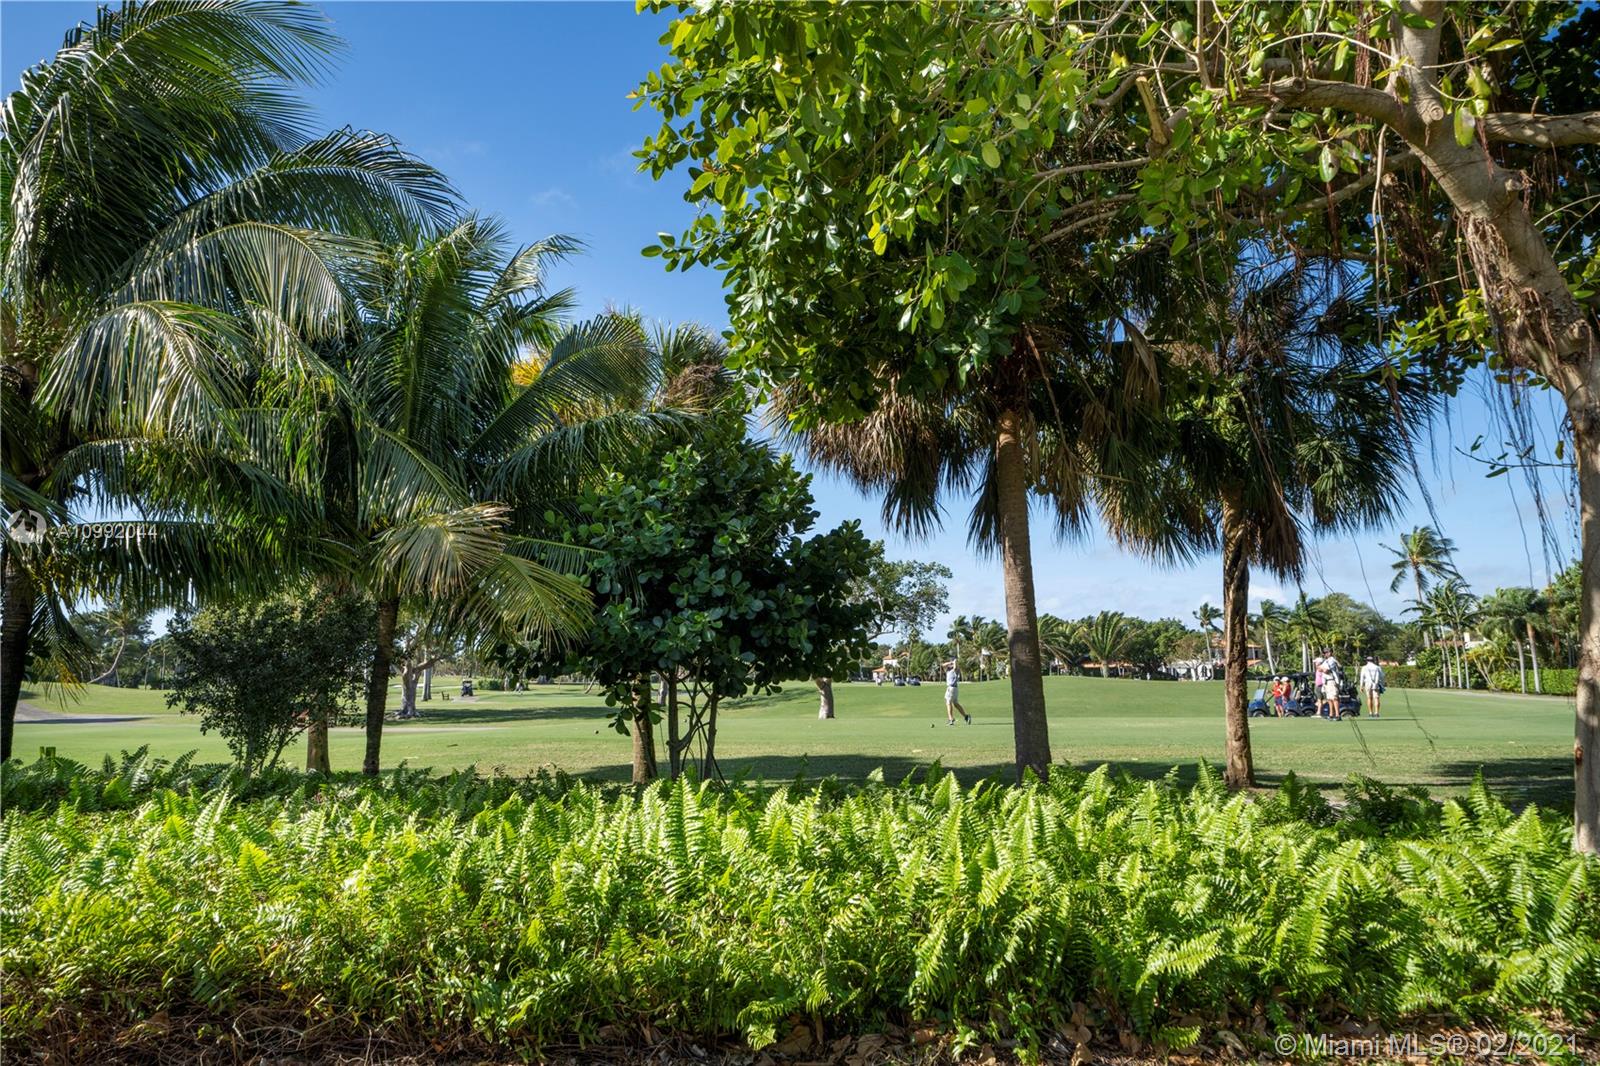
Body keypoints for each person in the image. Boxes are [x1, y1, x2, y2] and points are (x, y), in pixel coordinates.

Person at [943, 661, 971, 725]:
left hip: (951, 688)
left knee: (948, 703)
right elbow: (943, 665)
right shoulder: (948, 671)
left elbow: (955, 667)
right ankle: (966, 716)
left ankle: (951, 719)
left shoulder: (955, 670)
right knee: (955, 704)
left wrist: (954, 662)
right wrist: (950, 662)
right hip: (954, 689)